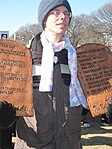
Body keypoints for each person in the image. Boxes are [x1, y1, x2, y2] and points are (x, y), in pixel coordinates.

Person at [0, 0, 91, 148]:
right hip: (33, 145)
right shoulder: (23, 59)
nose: (63, 17)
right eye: (56, 12)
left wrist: (107, 109)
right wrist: (5, 118)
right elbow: (10, 100)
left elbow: (90, 107)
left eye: (66, 13)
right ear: (44, 19)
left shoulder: (77, 60)